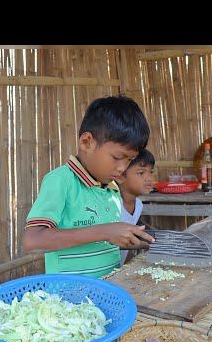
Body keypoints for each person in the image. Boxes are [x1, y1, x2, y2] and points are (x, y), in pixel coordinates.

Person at [23, 95, 154, 277]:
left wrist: (129, 238)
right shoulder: (61, 181)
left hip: (109, 292)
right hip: (68, 300)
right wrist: (104, 232)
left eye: (130, 160)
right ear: (87, 142)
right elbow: (33, 240)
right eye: (117, 157)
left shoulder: (112, 188)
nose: (123, 167)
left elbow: (108, 242)